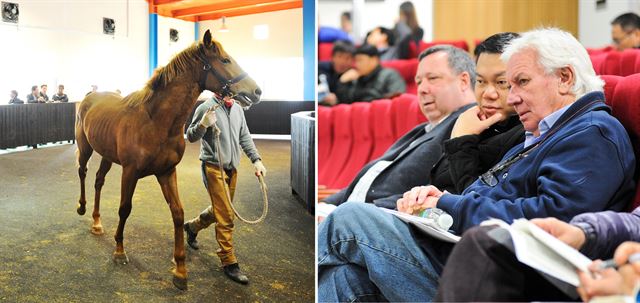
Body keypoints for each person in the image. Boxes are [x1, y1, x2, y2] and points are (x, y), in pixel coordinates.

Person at [317, 28, 636, 302]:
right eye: (510, 85)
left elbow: (549, 223)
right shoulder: (543, 133)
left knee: (350, 219)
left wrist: (448, 203)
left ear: (565, 78)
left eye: (521, 82)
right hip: (456, 252)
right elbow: (488, 197)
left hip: (495, 279)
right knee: (343, 279)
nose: (511, 98)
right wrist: (432, 205)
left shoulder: (592, 134)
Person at [319, 44, 477, 216]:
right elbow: (372, 178)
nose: (422, 89)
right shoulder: (421, 130)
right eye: (418, 82)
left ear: (463, 81)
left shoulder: (466, 127)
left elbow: (436, 193)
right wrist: (327, 205)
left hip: (379, 220)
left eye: (432, 78)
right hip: (351, 214)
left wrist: (345, 213)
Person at [436, 208, 640, 302]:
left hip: (617, 285)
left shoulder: (591, 132)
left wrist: (630, 296)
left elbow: (554, 206)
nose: (519, 118)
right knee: (487, 242)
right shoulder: (519, 143)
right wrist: (585, 232)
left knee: (485, 246)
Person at [182, 94, 267, 285]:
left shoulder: (236, 108)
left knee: (219, 211)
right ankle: (229, 261)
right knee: (226, 215)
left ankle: (192, 226)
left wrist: (257, 160)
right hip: (213, 167)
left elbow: (244, 135)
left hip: (232, 167)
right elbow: (191, 136)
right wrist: (203, 123)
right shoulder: (206, 107)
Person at [335, 44, 405, 103]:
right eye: (355, 61)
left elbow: (397, 99)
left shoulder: (390, 75)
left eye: (360, 60)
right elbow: (347, 102)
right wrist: (342, 82)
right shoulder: (357, 78)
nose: (356, 64)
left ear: (374, 60)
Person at [318, 40, 354, 106]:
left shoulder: (353, 75)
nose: (342, 62)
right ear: (332, 57)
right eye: (339, 56)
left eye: (347, 58)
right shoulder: (319, 68)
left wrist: (342, 81)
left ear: (352, 60)